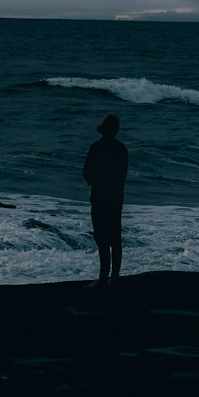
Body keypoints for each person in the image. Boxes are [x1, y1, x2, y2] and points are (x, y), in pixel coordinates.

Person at [83, 113, 128, 287]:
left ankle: (104, 277)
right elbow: (122, 175)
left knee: (102, 238)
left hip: (100, 196)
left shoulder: (96, 147)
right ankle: (113, 277)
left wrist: (94, 180)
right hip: (115, 197)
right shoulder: (121, 148)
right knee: (114, 237)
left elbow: (87, 171)